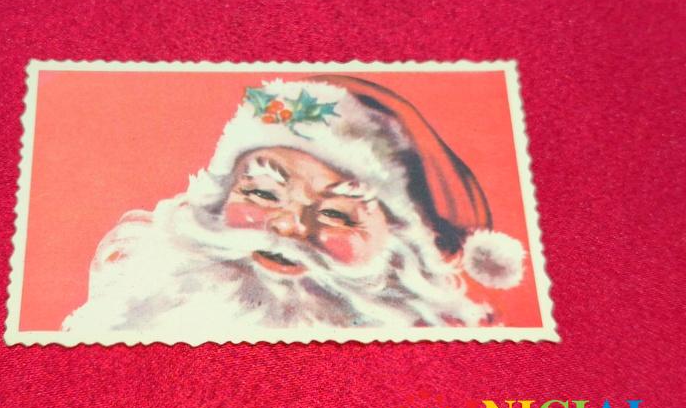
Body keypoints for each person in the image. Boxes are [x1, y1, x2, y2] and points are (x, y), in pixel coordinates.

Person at [62, 76, 525, 333]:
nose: (287, 226)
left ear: (403, 249)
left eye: (337, 214)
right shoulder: (138, 306)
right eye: (262, 193)